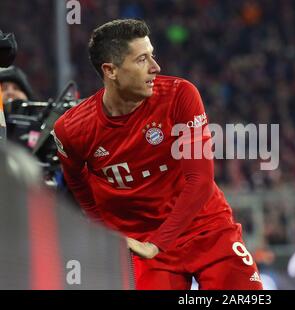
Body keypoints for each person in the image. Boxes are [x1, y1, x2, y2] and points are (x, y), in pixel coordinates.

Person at [52, 19, 263, 290]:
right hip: (141, 243)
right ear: (111, 70)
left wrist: (157, 244)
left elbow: (199, 180)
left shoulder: (180, 96)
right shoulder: (72, 129)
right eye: (142, 59)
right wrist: (110, 233)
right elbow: (78, 186)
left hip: (205, 227)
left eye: (152, 55)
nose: (155, 67)